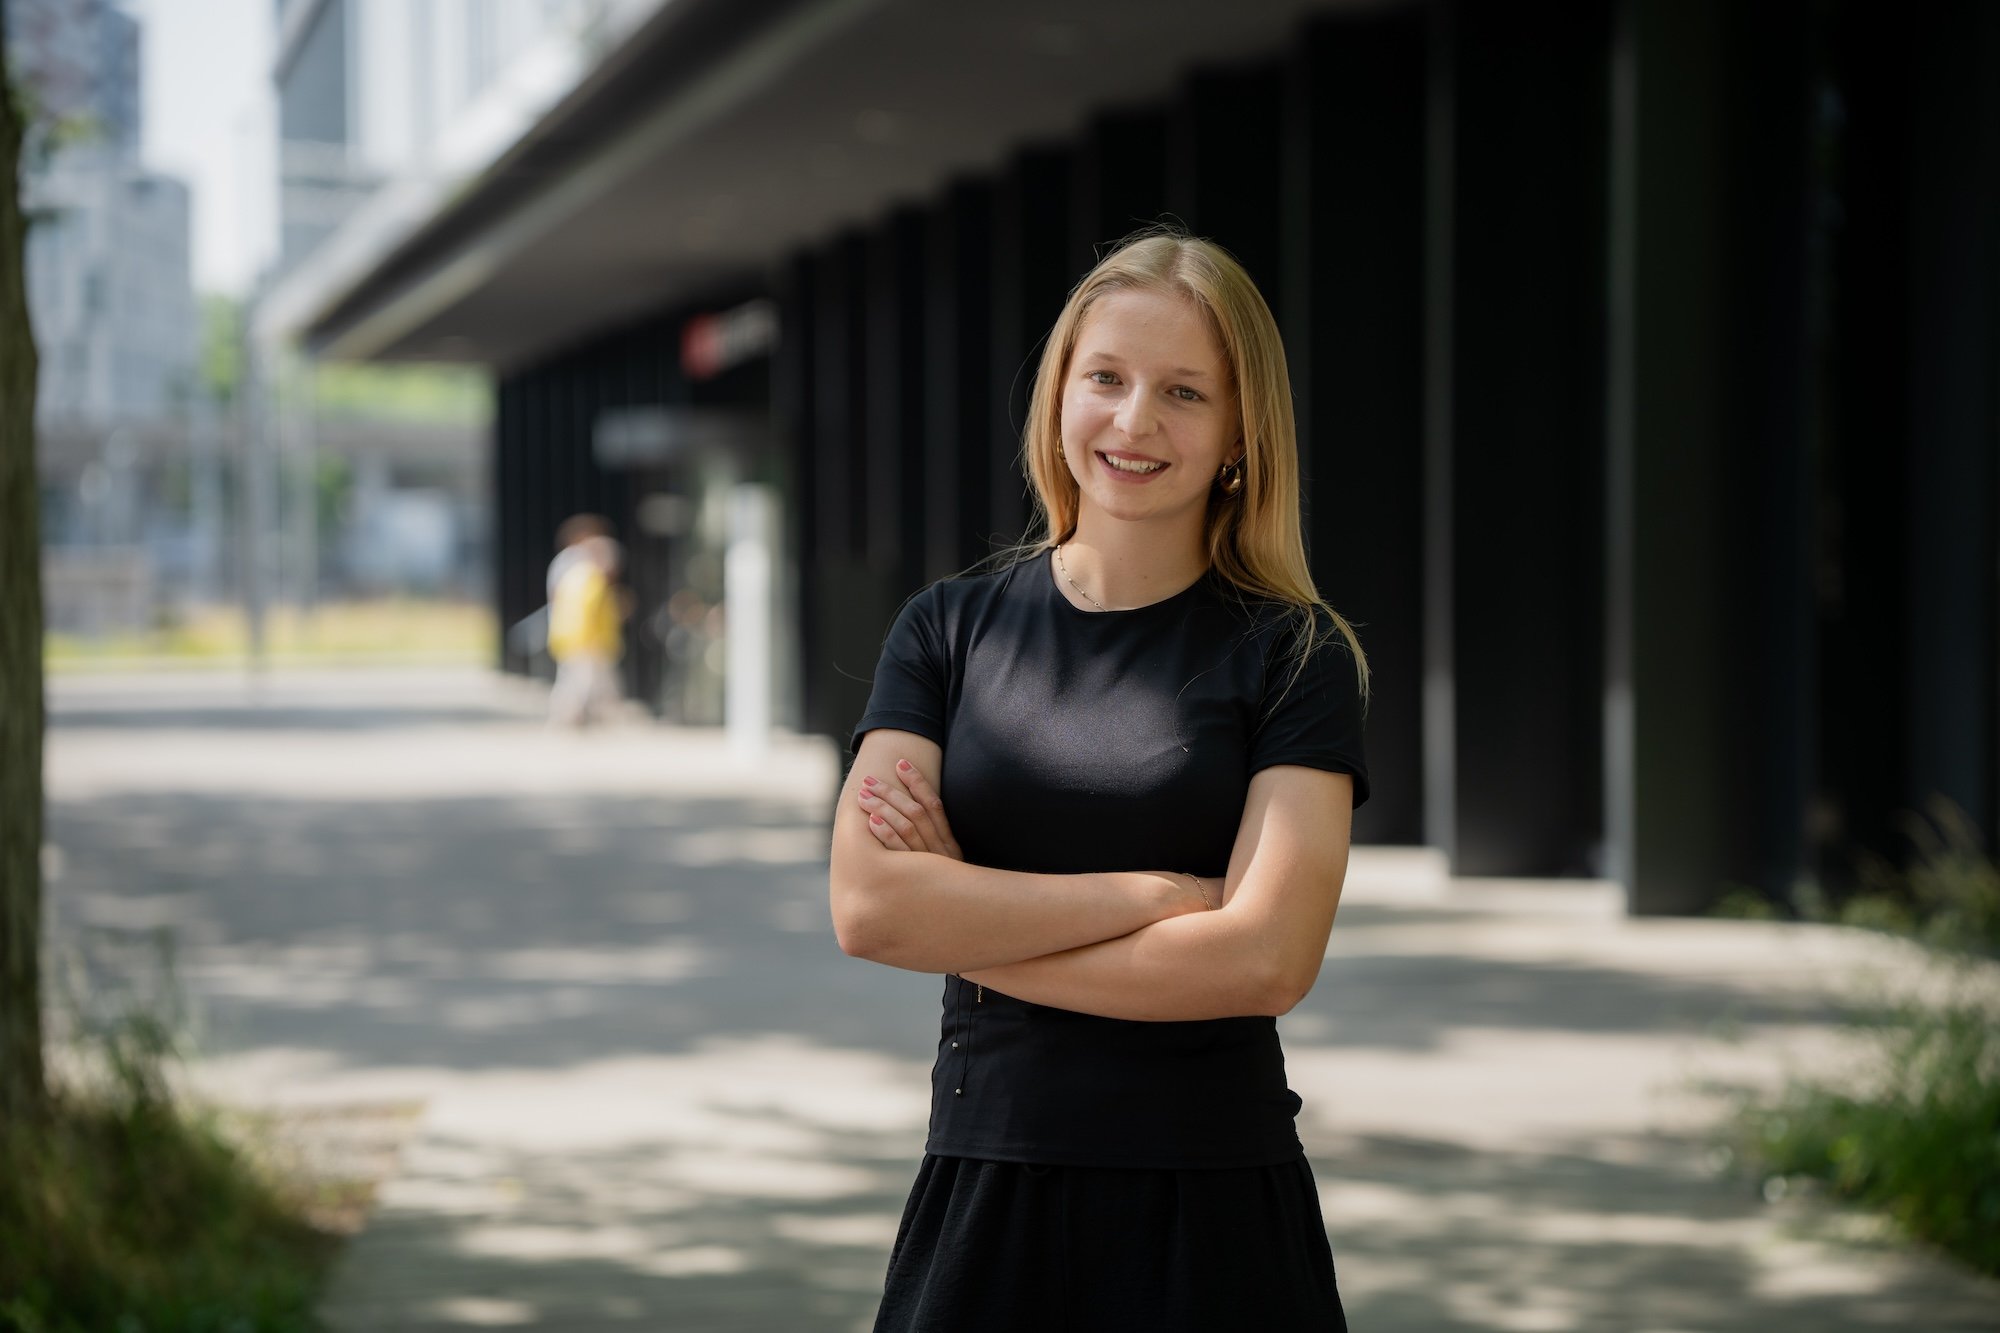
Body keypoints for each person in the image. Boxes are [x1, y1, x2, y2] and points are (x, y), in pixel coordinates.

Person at [829, 227, 1370, 1331]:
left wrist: (965, 923)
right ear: (1060, 397)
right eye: (1106, 379)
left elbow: (1264, 958)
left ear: (1239, 432)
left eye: (1183, 392)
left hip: (1211, 1210)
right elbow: (872, 908)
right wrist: (1152, 897)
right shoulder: (945, 630)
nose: (1133, 421)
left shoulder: (1294, 653)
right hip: (986, 1190)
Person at [546, 533, 626, 727]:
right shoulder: (592, 580)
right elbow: (587, 614)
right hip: (585, 641)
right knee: (581, 683)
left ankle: (585, 716)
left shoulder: (574, 576)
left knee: (578, 681)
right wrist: (596, 640)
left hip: (569, 638)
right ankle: (571, 717)